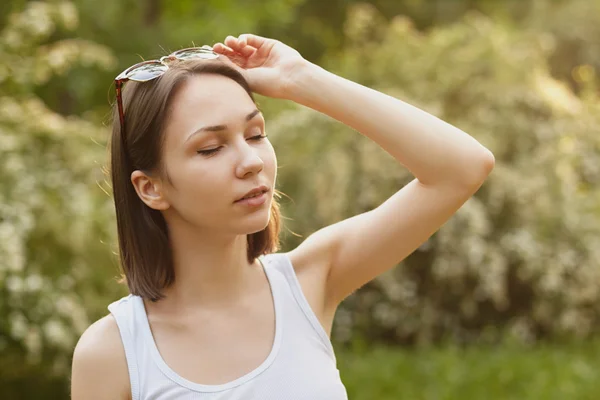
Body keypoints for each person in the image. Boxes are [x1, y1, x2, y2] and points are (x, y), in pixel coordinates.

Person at [70, 34, 495, 400]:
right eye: (211, 148)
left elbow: (462, 168)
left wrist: (301, 80)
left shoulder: (311, 281)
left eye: (255, 134)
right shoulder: (114, 353)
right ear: (150, 187)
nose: (250, 161)